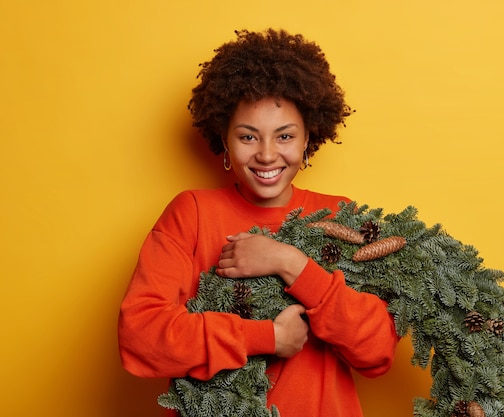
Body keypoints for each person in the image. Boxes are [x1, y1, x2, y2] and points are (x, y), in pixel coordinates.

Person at [118, 29, 398, 417]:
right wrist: (267, 337)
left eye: (284, 136)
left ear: (307, 139)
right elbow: (140, 336)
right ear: (225, 140)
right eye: (248, 137)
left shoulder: (341, 219)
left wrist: (290, 263)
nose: (267, 155)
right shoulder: (193, 213)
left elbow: (377, 352)